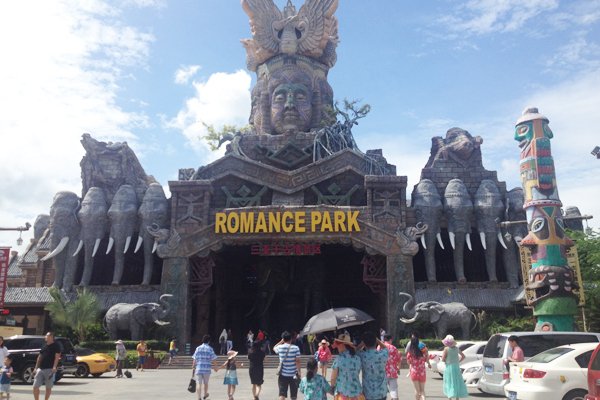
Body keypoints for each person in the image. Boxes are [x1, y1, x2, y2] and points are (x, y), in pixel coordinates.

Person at [330, 333, 362, 400]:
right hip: (357, 394)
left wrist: (332, 387)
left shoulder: (338, 359)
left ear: (342, 345)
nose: (337, 346)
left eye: (338, 344)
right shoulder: (357, 358)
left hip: (343, 394)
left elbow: (333, 378)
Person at [357, 331, 388, 400]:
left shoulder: (362, 355)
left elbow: (355, 351)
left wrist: (362, 343)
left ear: (364, 344)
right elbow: (386, 348)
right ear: (375, 342)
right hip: (381, 392)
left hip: (368, 393)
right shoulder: (382, 354)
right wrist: (377, 340)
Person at [273, 331, 302, 400]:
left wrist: (281, 341)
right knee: (293, 396)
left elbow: (274, 348)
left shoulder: (280, 347)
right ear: (291, 339)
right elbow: (297, 361)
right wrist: (299, 372)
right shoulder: (296, 348)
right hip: (293, 374)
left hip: (283, 374)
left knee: (282, 395)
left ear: (283, 339)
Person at [32, 332, 61, 400]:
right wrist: (36, 367)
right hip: (40, 369)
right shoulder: (44, 345)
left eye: (46, 336)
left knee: (48, 387)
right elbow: (39, 357)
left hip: (49, 369)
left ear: (51, 337)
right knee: (35, 387)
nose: (45, 337)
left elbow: (57, 357)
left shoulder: (56, 346)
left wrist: (54, 367)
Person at [441, 335, 468, 399]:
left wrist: (446, 360)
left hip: (449, 367)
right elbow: (463, 356)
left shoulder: (446, 349)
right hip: (456, 367)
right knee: (457, 381)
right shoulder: (457, 348)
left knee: (449, 381)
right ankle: (457, 398)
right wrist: (458, 361)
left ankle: (450, 397)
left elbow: (443, 359)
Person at [192, 335, 218, 400]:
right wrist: (215, 367)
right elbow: (214, 359)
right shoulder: (210, 349)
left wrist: (194, 366)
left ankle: (199, 397)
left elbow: (195, 358)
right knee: (206, 383)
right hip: (207, 369)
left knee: (199, 383)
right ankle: (205, 394)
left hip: (199, 368)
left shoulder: (198, 348)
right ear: (209, 341)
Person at [406, 332, 430, 400]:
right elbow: (427, 358)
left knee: (417, 390)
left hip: (414, 372)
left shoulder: (410, 353)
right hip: (422, 372)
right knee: (422, 390)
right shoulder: (423, 353)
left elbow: (408, 362)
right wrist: (428, 363)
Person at [380, 334, 401, 400]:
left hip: (382, 372)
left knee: (382, 390)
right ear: (390, 340)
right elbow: (398, 359)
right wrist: (398, 369)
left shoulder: (379, 347)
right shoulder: (393, 348)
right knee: (393, 389)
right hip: (392, 371)